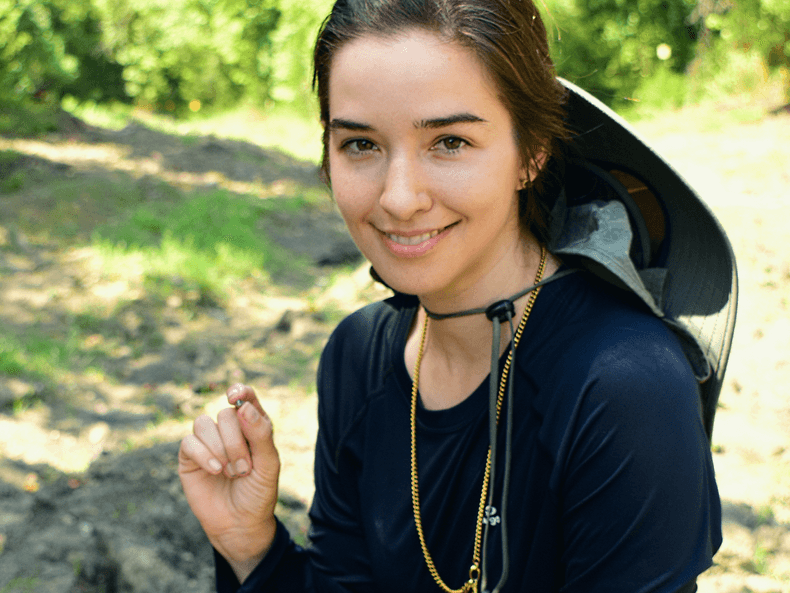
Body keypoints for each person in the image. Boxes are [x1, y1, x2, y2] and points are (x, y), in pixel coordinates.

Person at [178, 0, 737, 591]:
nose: (399, 197)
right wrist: (250, 549)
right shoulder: (358, 356)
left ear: (532, 151)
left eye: (449, 142)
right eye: (360, 145)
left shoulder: (622, 385)